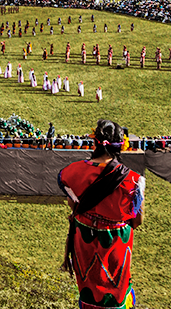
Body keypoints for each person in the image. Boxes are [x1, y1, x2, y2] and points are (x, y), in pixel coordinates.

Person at [58, 119, 144, 309]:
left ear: (95, 142)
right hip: (116, 242)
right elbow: (137, 221)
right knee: (117, 290)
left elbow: (73, 205)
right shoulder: (133, 181)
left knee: (88, 286)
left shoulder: (72, 172)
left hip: (84, 238)